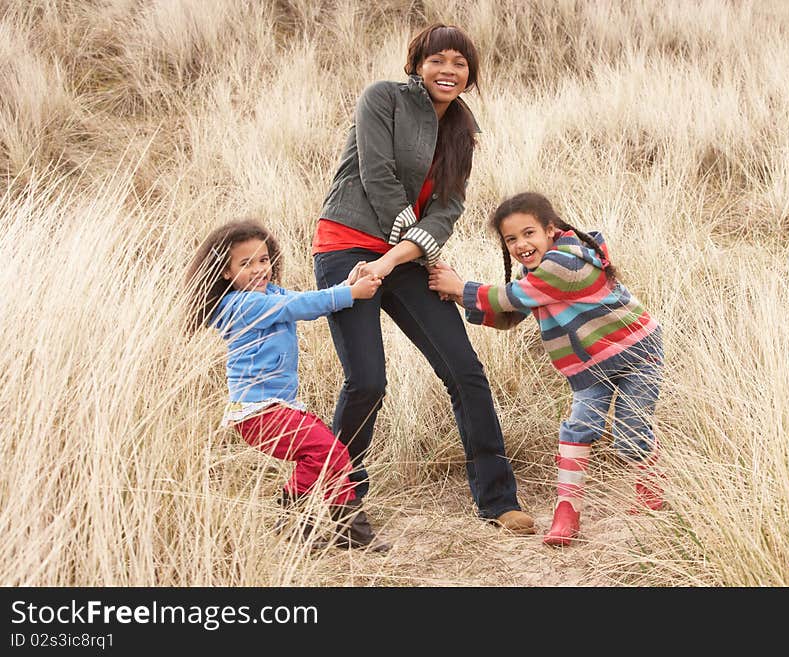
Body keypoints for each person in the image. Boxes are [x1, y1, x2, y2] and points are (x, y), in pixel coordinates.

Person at [311, 23, 534, 534]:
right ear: (417, 63)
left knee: (465, 372)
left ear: (470, 74)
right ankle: (328, 498)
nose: (448, 71)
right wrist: (411, 242)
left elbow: (448, 208)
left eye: (460, 63)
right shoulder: (382, 98)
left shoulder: (463, 131)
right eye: (438, 60)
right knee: (367, 381)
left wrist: (406, 254)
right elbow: (377, 175)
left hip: (405, 258)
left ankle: (498, 501)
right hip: (347, 245)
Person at [428, 192, 665, 547]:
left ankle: (651, 492)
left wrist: (462, 287)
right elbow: (510, 314)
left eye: (528, 233)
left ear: (551, 230)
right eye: (511, 239)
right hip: (589, 365)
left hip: (634, 353)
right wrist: (461, 296)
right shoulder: (534, 275)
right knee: (577, 429)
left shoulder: (566, 263)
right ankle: (566, 514)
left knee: (630, 434)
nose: (520, 244)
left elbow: (515, 296)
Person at [185, 218, 389, 551]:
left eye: (263, 260)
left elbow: (306, 297)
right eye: (246, 263)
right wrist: (350, 294)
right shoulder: (243, 305)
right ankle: (320, 524)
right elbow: (300, 307)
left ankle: (324, 527)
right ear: (226, 272)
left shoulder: (268, 294)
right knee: (328, 451)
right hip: (258, 412)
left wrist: (346, 284)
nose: (258, 269)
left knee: (326, 454)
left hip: (278, 408)